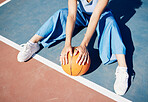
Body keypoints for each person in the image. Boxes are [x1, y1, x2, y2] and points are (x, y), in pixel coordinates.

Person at [17, 0, 129, 95]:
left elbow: (95, 16)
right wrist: (67, 44)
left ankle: (123, 69)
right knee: (61, 13)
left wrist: (84, 45)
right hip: (81, 15)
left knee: (110, 22)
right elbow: (71, 15)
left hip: (100, 15)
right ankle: (33, 44)